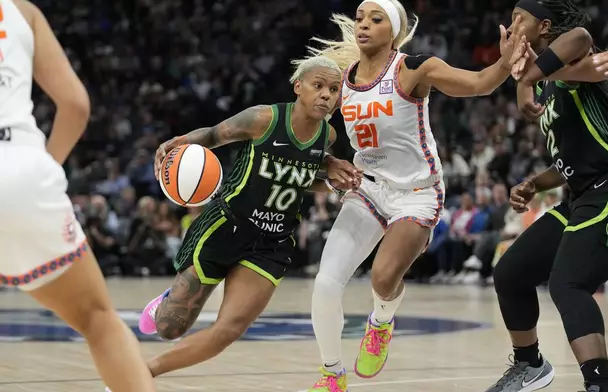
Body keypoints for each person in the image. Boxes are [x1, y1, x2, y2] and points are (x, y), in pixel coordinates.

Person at [290, 1, 525, 390]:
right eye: (361, 18)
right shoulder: (341, 80)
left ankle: (380, 322)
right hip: (368, 188)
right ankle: (332, 375)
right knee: (327, 283)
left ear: (394, 32)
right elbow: (309, 130)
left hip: (417, 192)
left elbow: (480, 84)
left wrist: (503, 63)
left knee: (383, 279)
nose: (363, 25)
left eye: (376, 19)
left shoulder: (414, 68)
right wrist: (325, 161)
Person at [132, 56, 361, 380]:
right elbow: (213, 135)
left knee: (227, 330)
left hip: (271, 244)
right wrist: (179, 142)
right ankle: (164, 303)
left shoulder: (328, 138)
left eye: (334, 89)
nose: (326, 94)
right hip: (226, 226)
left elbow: (302, 176)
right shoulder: (263, 118)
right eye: (318, 85)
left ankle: (140, 375)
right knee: (170, 328)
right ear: (299, 87)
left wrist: (331, 179)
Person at [487, 2, 608, 391]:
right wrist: (536, 183)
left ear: (544, 26)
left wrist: (522, 79)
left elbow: (582, 35)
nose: (511, 25)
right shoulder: (550, 82)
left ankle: (600, 385)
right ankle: (530, 365)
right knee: (511, 272)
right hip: (582, 192)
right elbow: (574, 159)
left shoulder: (573, 62)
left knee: (568, 283)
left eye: (518, 18)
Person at [0, 0, 156, 391]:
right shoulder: (22, 10)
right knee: (98, 319)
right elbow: (75, 105)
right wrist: (41, 170)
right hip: (21, 168)